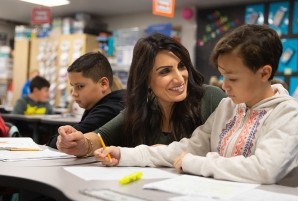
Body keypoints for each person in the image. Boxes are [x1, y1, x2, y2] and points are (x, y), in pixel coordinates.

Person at [95, 24, 298, 188]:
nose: (224, 86)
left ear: (264, 73)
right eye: (223, 76)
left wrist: (194, 163)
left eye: (232, 79)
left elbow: (265, 170)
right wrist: (124, 155)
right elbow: (186, 147)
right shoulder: (227, 107)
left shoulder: (287, 112)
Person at [56, 33, 226, 157]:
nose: (180, 77)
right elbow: (101, 137)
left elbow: (229, 155)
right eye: (165, 71)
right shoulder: (143, 106)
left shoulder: (210, 97)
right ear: (146, 80)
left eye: (181, 66)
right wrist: (78, 143)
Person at [46, 52, 126, 148]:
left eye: (80, 86)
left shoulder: (109, 110)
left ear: (103, 84)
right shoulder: (98, 105)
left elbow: (62, 142)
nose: (74, 93)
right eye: (73, 87)